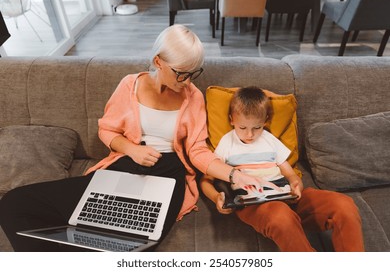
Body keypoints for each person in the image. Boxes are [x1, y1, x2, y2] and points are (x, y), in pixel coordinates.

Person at [0, 25, 276, 252]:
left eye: (193, 73)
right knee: (14, 203)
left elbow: (197, 150)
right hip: (126, 164)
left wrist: (233, 175)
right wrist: (131, 148)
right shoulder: (129, 84)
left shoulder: (193, 97)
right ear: (158, 61)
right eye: (181, 72)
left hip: (169, 175)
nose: (187, 80)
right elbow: (106, 129)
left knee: (131, 242)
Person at [200, 86, 365, 252]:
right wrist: (216, 198)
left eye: (257, 127)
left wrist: (296, 187)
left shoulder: (270, 140)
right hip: (253, 203)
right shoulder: (227, 143)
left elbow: (291, 175)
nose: (249, 134)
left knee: (344, 204)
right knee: (280, 215)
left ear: (265, 121)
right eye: (242, 128)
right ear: (232, 120)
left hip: (284, 194)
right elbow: (206, 180)